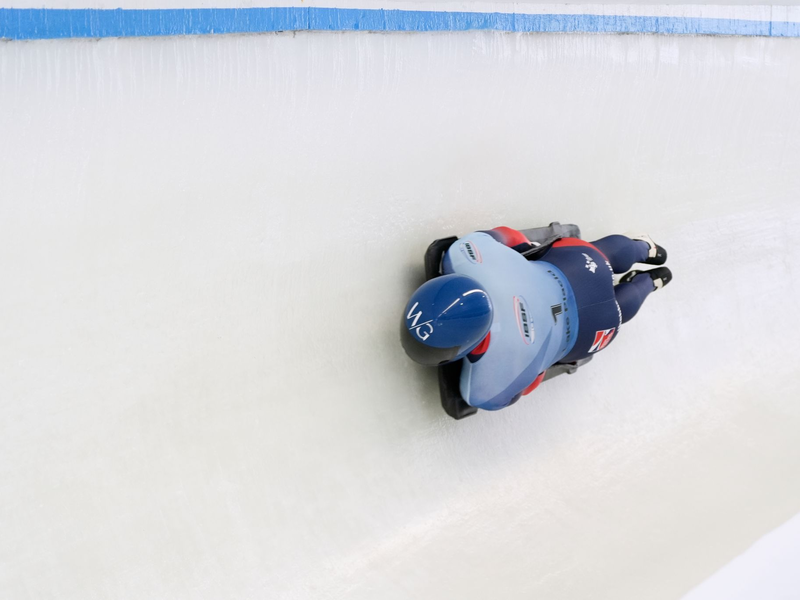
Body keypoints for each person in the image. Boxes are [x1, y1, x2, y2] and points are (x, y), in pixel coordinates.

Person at [400, 226, 672, 411]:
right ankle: (643, 250)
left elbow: (525, 387)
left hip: (590, 330)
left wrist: (538, 361)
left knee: (618, 312)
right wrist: (528, 250)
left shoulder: (483, 389)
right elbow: (510, 236)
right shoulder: (464, 254)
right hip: (577, 265)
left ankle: (650, 283)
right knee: (599, 253)